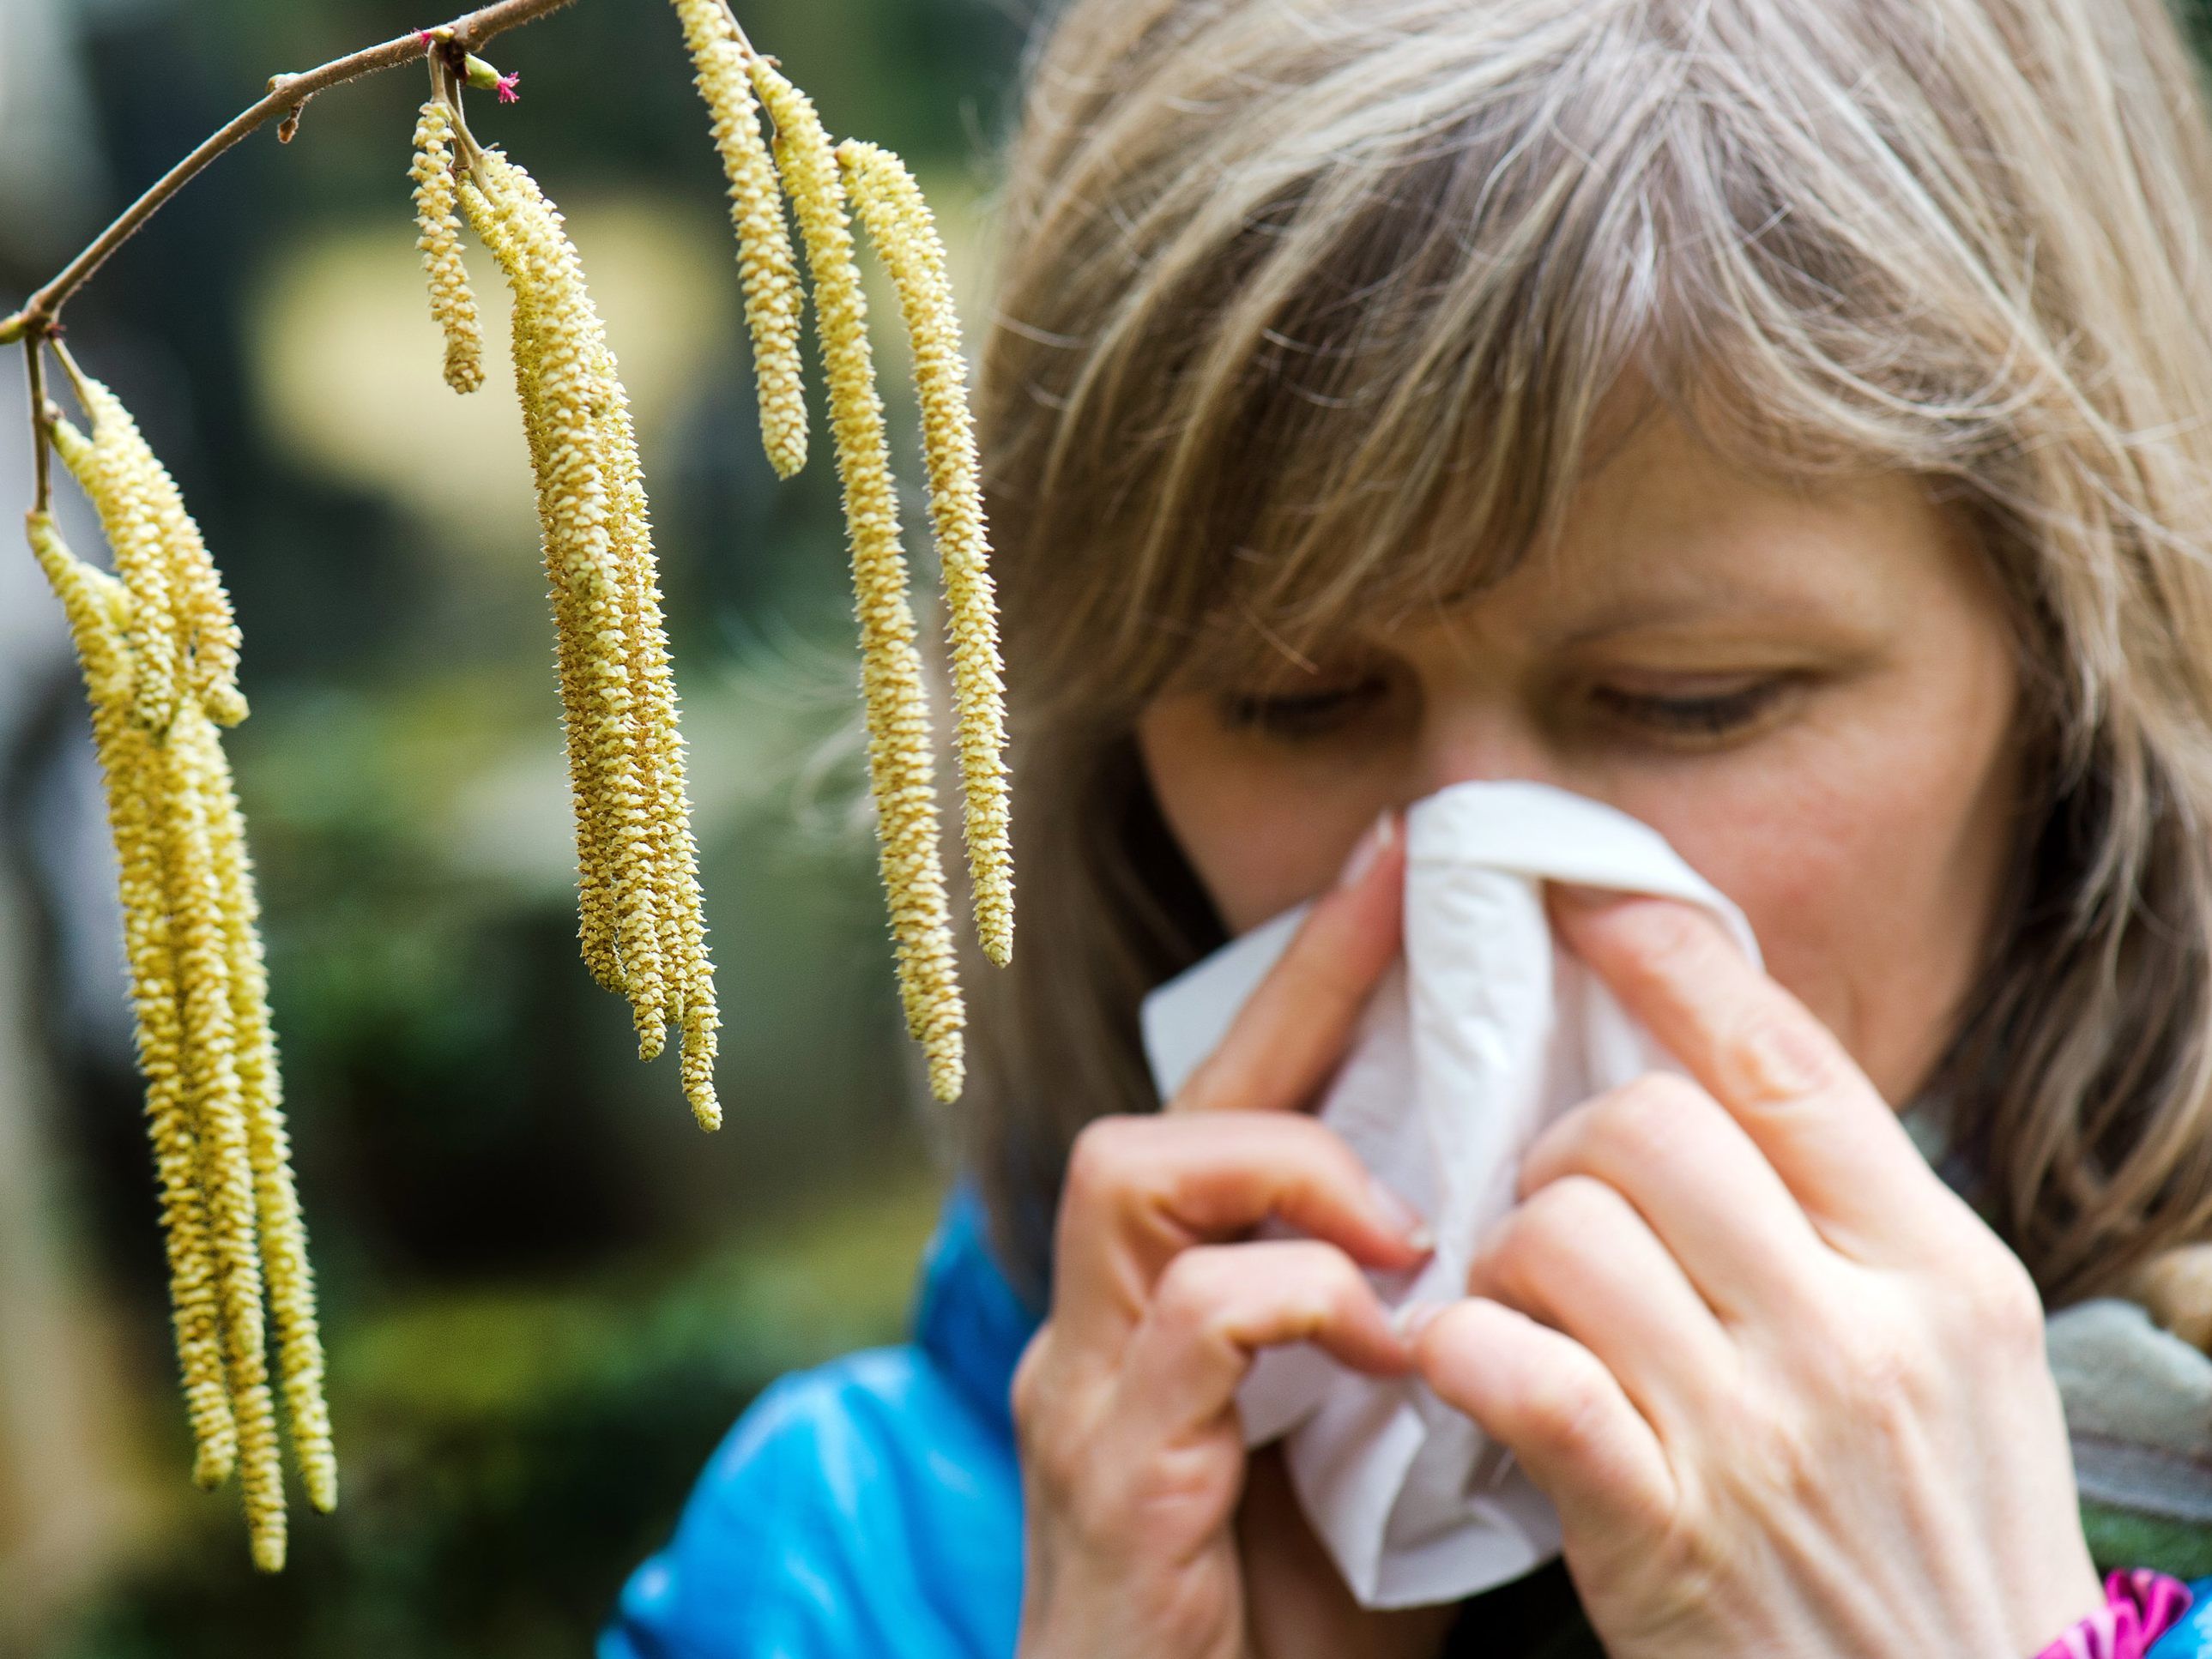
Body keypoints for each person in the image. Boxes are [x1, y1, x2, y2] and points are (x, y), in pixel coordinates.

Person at [600, 0, 2212, 1653]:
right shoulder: (853, 1565)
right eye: (1290, 703)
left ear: (2077, 690)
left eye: (1691, 699)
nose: (1468, 891)